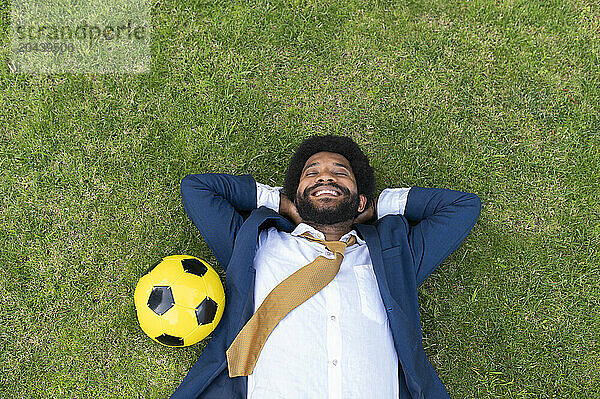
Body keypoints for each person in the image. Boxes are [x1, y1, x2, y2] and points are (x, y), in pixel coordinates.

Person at [171, 135, 481, 398]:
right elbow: (197, 189)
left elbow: (462, 207)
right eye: (312, 173)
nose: (325, 177)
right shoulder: (258, 244)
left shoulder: (392, 256)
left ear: (360, 200)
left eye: (340, 172)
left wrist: (378, 207)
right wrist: (279, 202)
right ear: (297, 196)